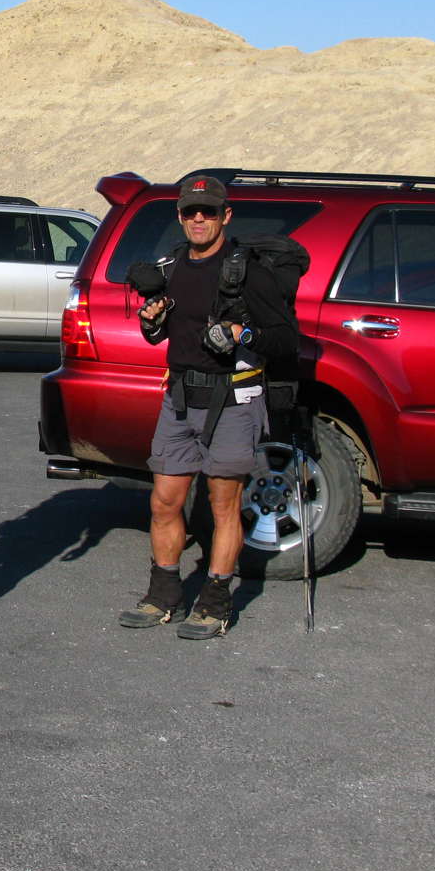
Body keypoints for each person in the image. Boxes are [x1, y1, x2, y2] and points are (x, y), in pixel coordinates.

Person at [120, 174, 296, 639]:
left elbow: (286, 339)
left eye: (209, 211)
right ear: (180, 216)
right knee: (164, 501)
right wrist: (151, 320)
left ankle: (215, 603)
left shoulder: (247, 271)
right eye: (190, 212)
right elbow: (164, 334)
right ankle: (164, 595)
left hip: (233, 400)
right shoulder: (173, 266)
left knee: (223, 505)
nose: (199, 219)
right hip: (179, 398)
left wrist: (243, 333)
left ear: (225, 216)